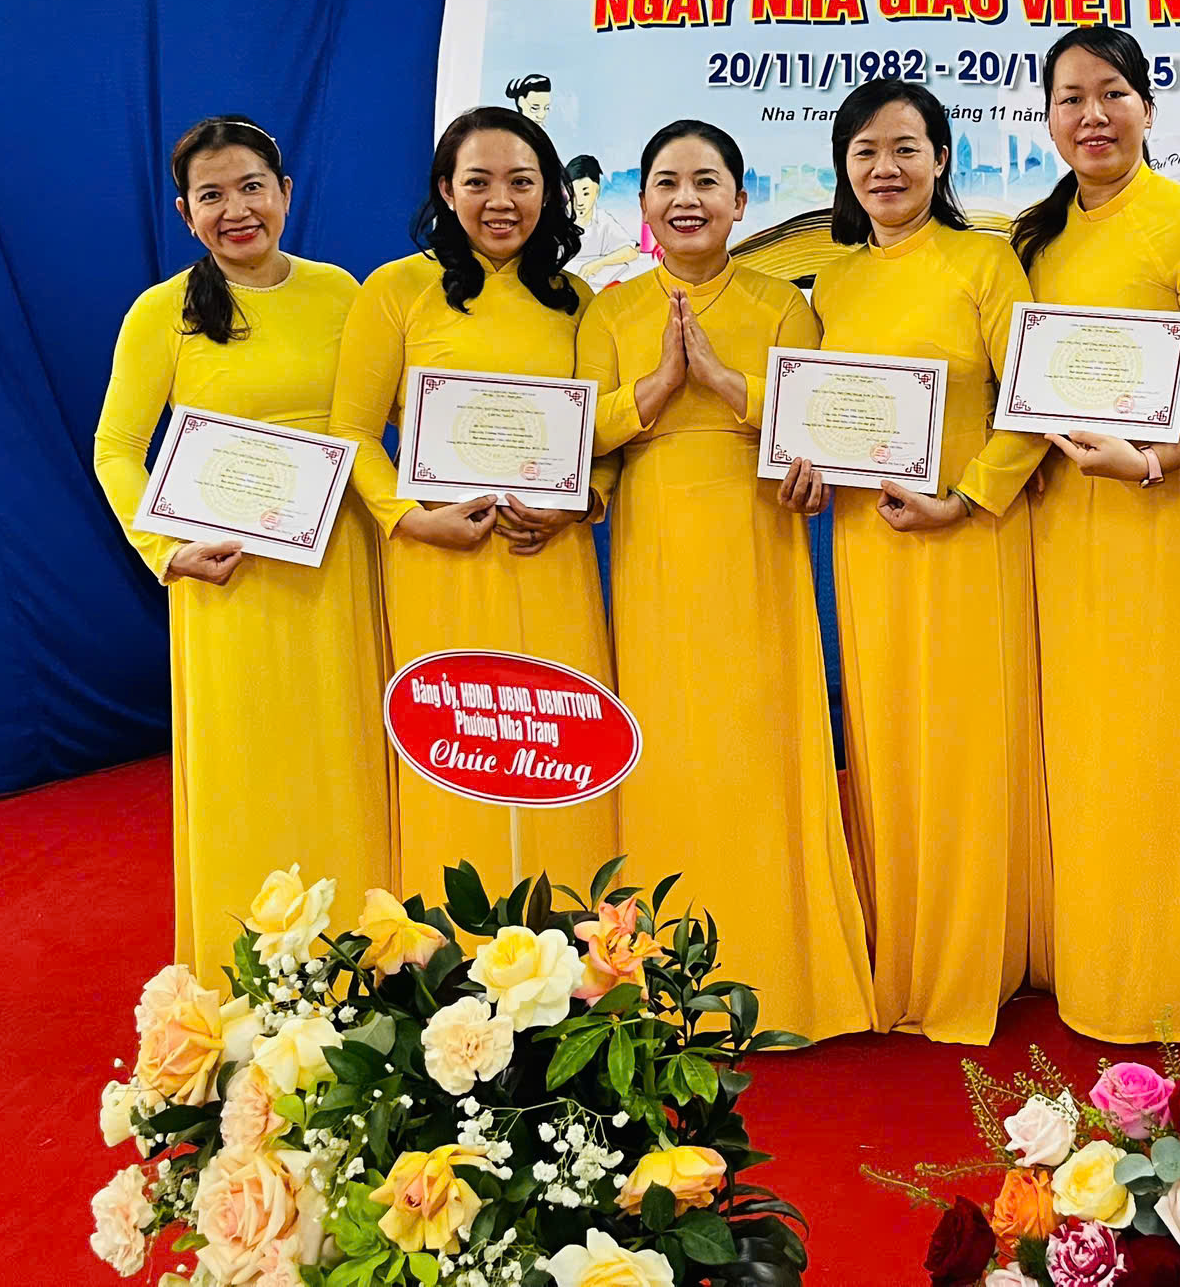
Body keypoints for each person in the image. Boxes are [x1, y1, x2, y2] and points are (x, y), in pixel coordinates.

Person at [1007, 28, 1180, 1043]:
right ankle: (1083, 946)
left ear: (1147, 109)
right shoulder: (1036, 239)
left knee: (1152, 740)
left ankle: (1161, 958)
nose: (1092, 115)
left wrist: (1159, 457)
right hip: (1057, 522)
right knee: (1080, 743)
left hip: (1162, 517)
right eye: (1070, 98)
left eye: (1112, 94)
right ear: (1047, 119)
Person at [579, 120, 876, 1043]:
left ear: (741, 202)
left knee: (762, 745)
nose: (687, 199)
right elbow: (585, 439)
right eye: (667, 181)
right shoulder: (609, 313)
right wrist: (658, 389)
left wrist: (721, 380)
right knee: (669, 752)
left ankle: (787, 977)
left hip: (757, 549)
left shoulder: (783, 304)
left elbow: (819, 428)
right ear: (642, 204)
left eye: (707, 181)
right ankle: (661, 983)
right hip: (654, 559)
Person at [776, 80, 1050, 1043]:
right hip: (869, 544)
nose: (885, 169)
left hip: (969, 537)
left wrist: (966, 497)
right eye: (865, 153)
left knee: (968, 744)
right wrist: (807, 473)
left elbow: (1031, 402)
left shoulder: (987, 262)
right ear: (842, 169)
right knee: (888, 740)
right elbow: (821, 415)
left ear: (941, 159)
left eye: (904, 149)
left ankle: (973, 958)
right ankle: (899, 948)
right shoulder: (833, 284)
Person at [92, 116, 391, 979]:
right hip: (228, 588)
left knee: (344, 763)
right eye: (212, 195)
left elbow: (387, 418)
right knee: (244, 776)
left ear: (286, 193)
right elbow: (116, 447)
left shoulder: (341, 293)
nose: (237, 210)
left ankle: (365, 965)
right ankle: (247, 974)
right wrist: (164, 548)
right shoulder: (162, 313)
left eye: (252, 187)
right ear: (185, 214)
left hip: (338, 575)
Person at [328, 107, 616, 901]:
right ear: (446, 191)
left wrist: (583, 503)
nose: (501, 201)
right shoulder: (396, 290)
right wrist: (408, 517)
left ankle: (573, 942)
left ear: (549, 192)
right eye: (478, 181)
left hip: (550, 561)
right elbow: (351, 431)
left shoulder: (579, 300)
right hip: (438, 561)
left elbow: (603, 438)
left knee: (560, 744)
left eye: (521, 182)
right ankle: (449, 945)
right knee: (455, 745)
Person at [566, 153, 645, 290]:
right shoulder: (557, 220)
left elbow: (631, 251)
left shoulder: (603, 220)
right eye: (573, 194)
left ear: (597, 191)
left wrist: (598, 263)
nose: (579, 203)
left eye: (586, 194)